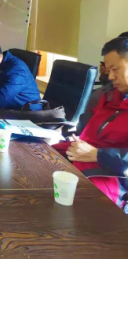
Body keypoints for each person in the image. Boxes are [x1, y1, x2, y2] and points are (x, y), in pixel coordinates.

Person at [54, 37, 128, 213]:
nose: (110, 77)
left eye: (115, 69)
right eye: (108, 70)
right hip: (84, 160)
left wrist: (98, 155)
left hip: (112, 177)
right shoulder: (112, 95)